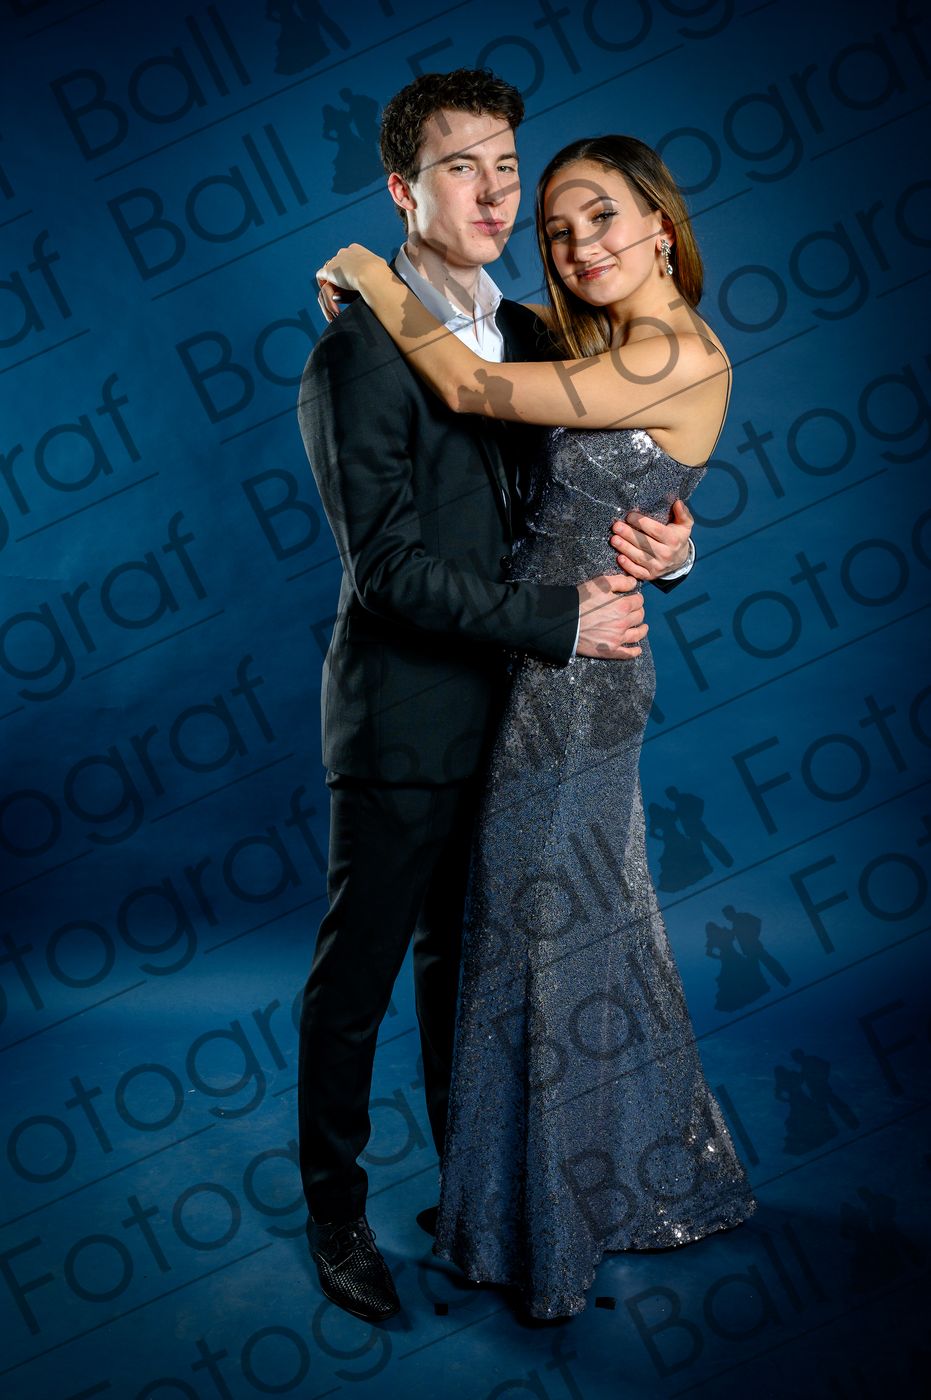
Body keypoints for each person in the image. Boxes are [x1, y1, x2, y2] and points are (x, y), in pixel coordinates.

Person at [317, 129, 758, 1318]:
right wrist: (673, 547)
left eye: (599, 215)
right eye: (559, 229)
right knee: (523, 942)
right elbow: (591, 495)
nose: (574, 243)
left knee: (546, 946)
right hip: (482, 681)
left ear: (659, 222)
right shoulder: (561, 338)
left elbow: (473, 393)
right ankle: (473, 1199)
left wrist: (365, 271)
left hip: (573, 683)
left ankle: (548, 1218)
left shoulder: (662, 350)